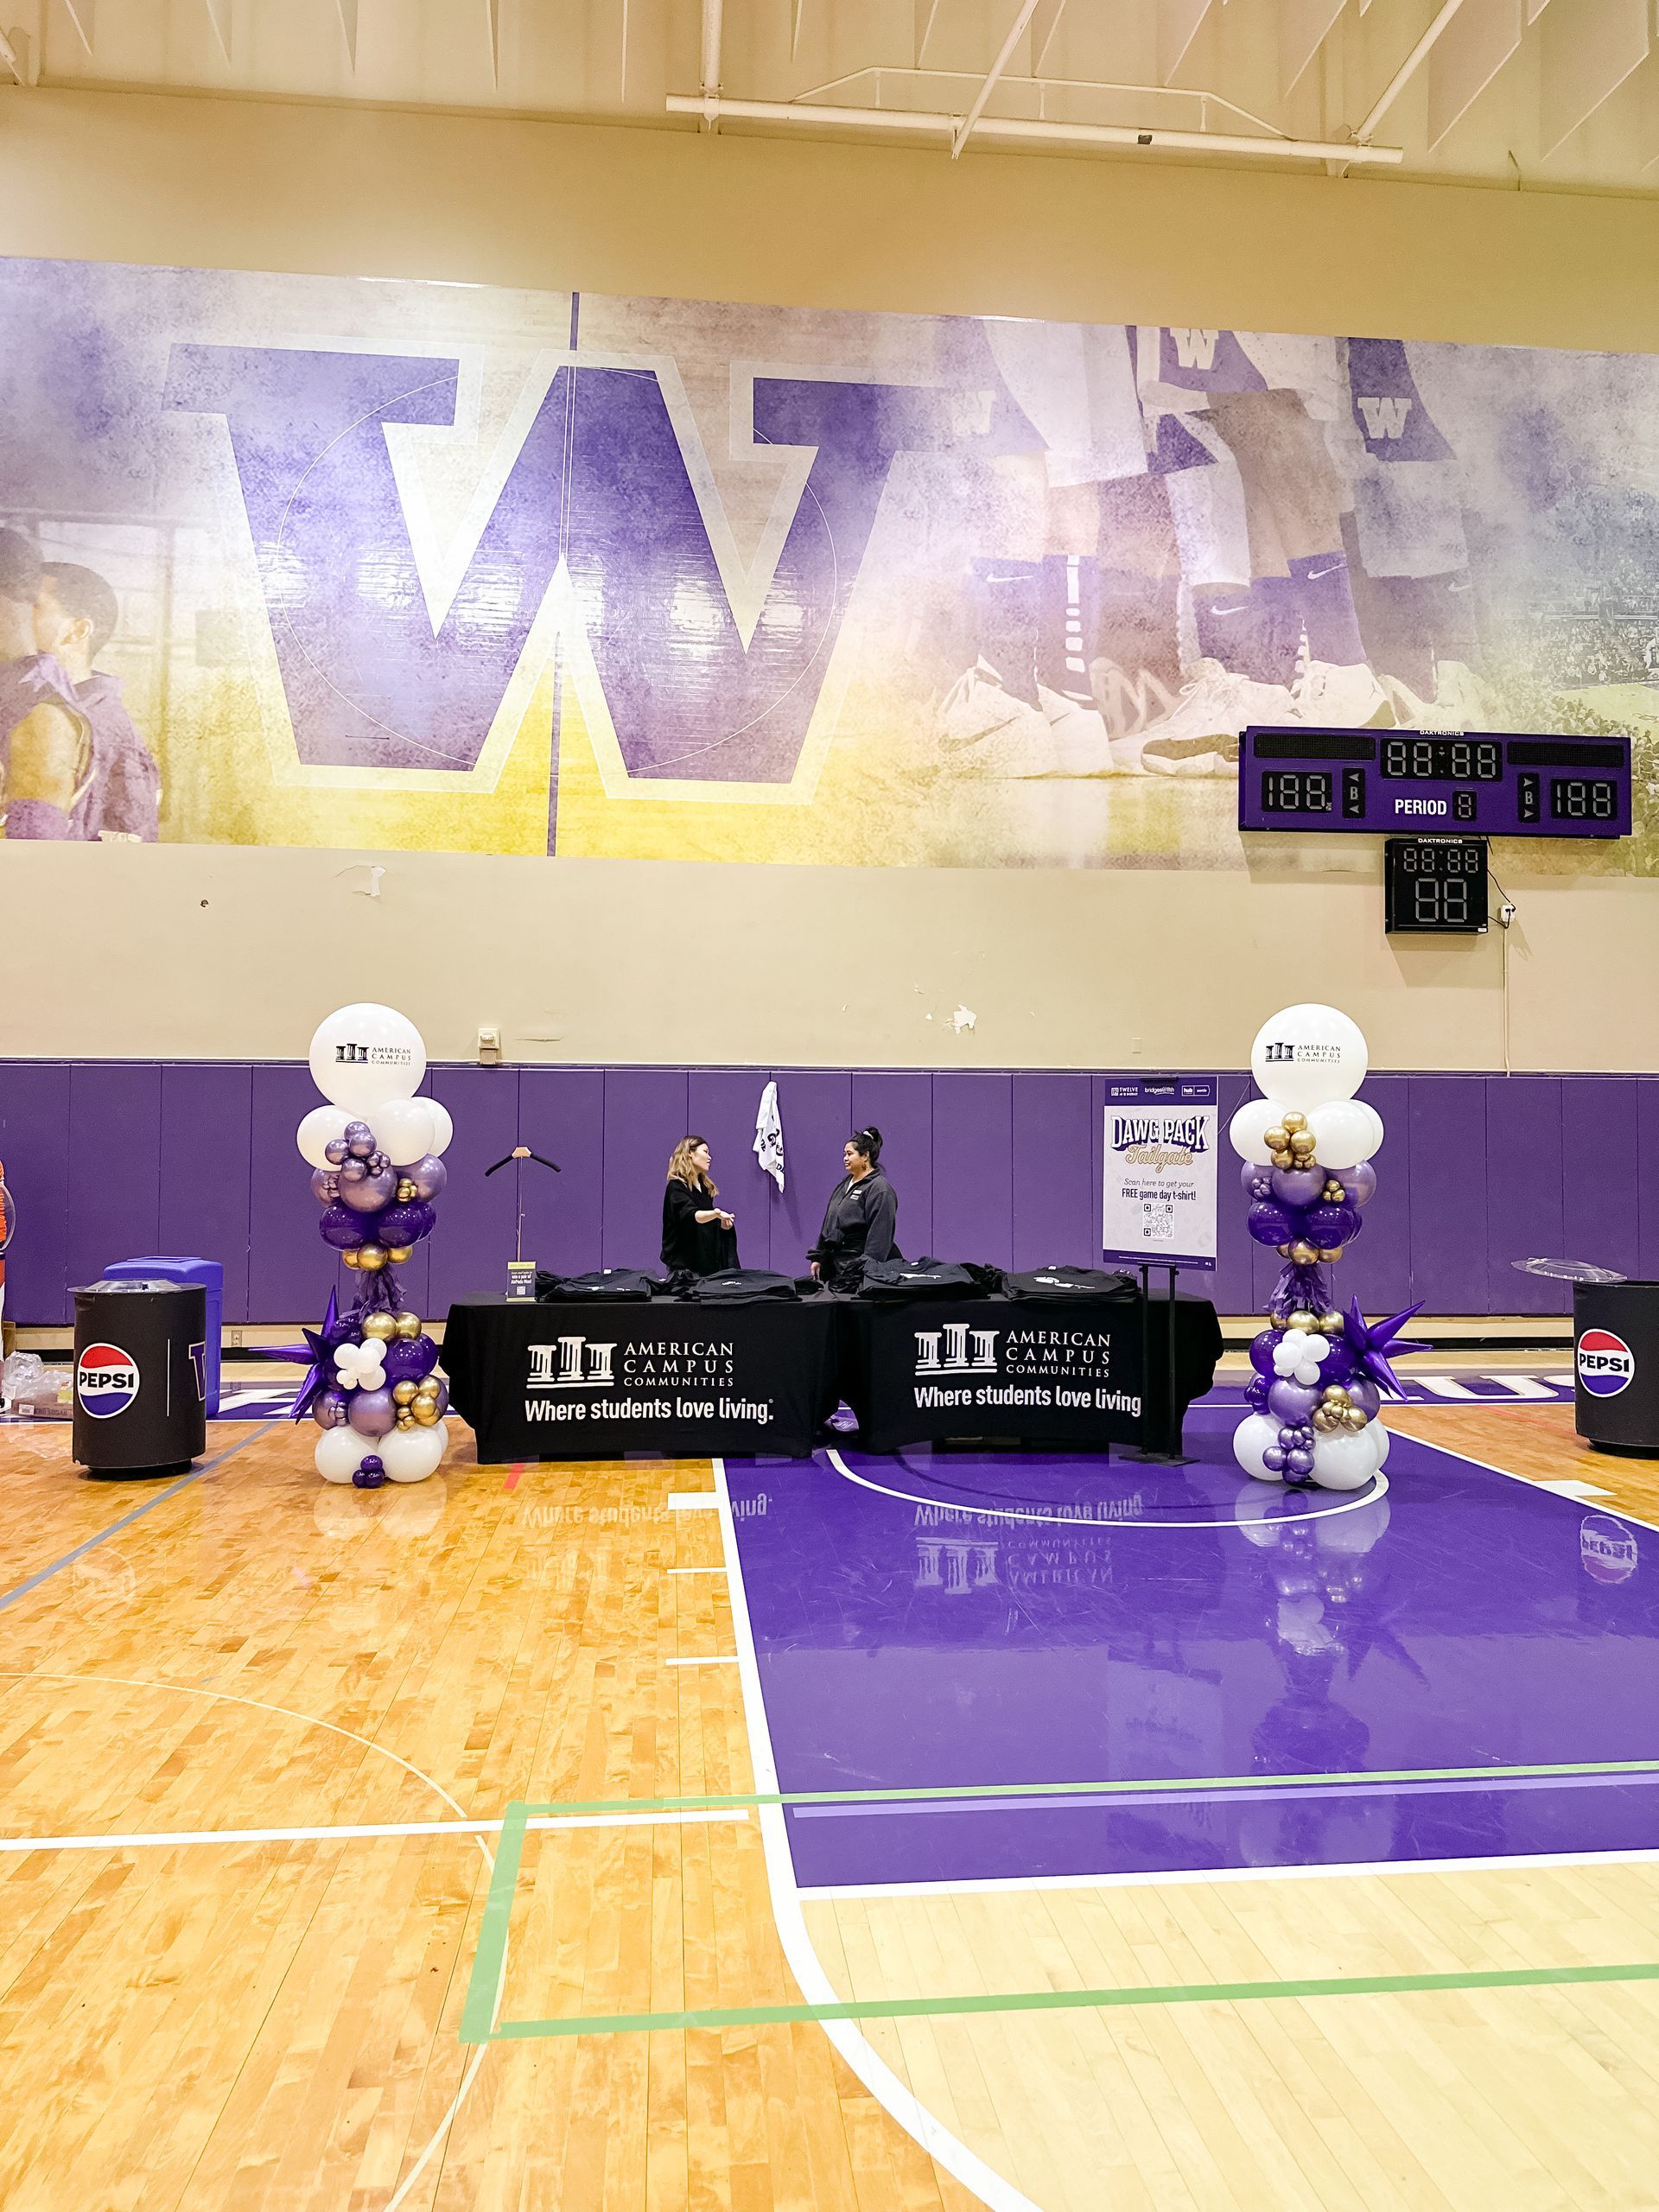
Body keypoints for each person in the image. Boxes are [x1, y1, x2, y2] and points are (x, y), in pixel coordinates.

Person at [810, 1126, 900, 1289]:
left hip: (859, 1276)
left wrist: (867, 1274)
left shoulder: (879, 1189)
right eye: (844, 1154)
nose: (845, 1158)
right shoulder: (844, 1185)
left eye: (849, 1154)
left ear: (865, 1156)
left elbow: (880, 1237)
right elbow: (829, 1223)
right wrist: (819, 1257)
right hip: (839, 1271)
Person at [661, 1136, 738, 1276]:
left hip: (705, 1265)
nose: (709, 1157)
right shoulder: (676, 1187)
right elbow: (692, 1216)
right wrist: (717, 1213)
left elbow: (704, 1226)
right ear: (690, 1152)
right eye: (705, 1152)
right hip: (685, 1269)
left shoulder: (705, 1188)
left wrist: (721, 1225)